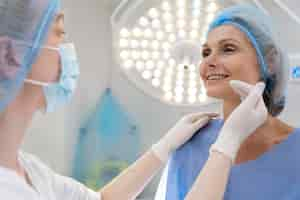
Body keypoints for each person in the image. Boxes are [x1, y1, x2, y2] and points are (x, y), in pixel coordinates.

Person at [0, 1, 220, 199]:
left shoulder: (32, 172)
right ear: (9, 55)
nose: (66, 52)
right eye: (59, 34)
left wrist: (164, 147)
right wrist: (224, 151)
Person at [156, 4, 300, 200]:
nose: (208, 62)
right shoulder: (189, 145)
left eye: (228, 49)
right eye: (206, 53)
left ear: (270, 61)